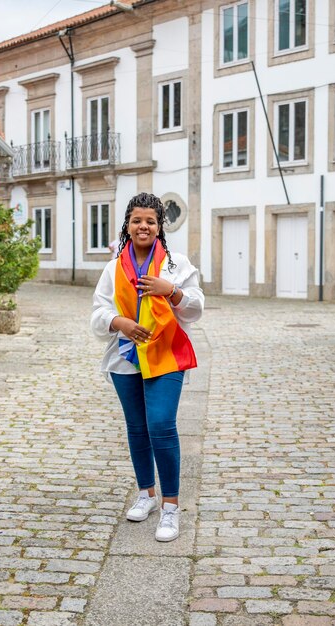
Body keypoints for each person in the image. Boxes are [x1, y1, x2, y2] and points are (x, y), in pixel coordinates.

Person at [91, 192, 204, 542]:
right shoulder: (113, 268)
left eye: (150, 221)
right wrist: (119, 323)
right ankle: (146, 495)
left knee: (161, 424)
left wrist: (171, 291)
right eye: (137, 220)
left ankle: (171, 507)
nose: (143, 226)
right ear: (128, 224)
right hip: (126, 357)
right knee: (137, 428)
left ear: (159, 227)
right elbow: (97, 314)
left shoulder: (175, 264)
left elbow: (196, 307)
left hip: (167, 355)